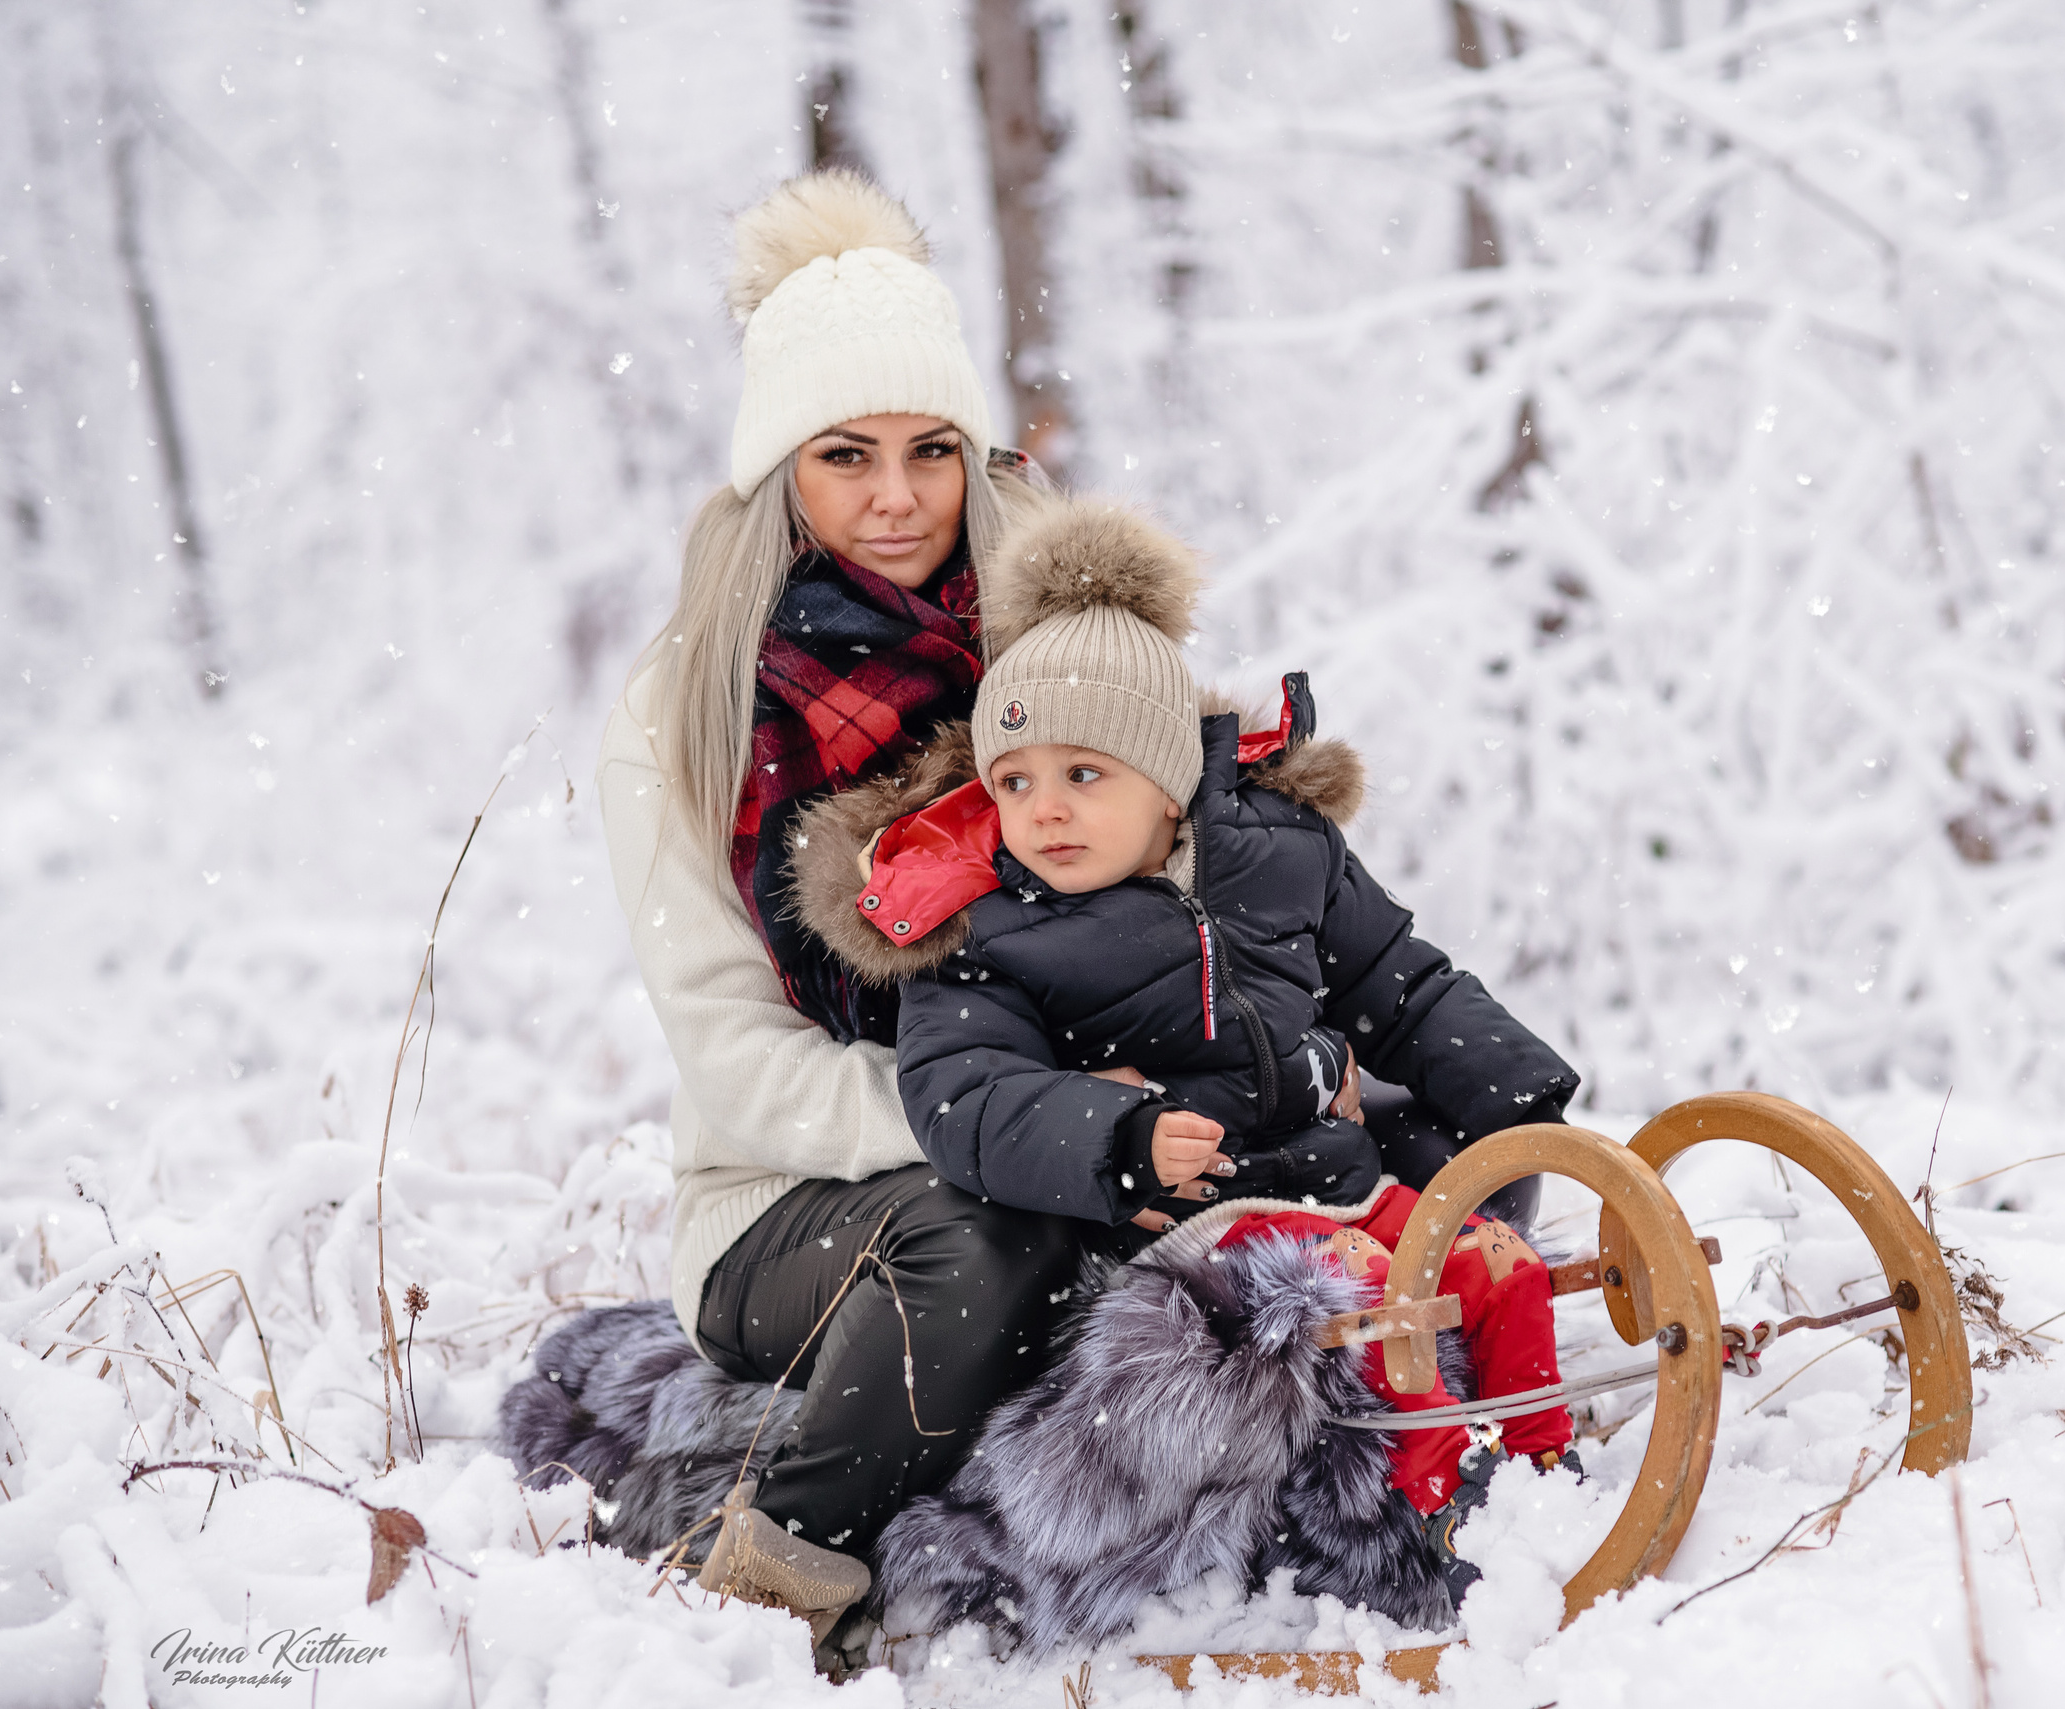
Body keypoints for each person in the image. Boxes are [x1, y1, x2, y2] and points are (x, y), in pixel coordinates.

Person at [781, 492, 1583, 1593]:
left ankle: (1549, 1470)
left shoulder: (1281, 853)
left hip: (1335, 1183)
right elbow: (967, 1095)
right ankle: (1430, 1518)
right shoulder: (986, 929)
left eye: (1083, 774)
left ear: (1170, 783)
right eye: (1014, 781)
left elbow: (1402, 978)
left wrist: (1523, 1098)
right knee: (1386, 1324)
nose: (1044, 810)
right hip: (1203, 1234)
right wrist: (1122, 1133)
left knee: (1498, 1270)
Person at [596, 170, 1084, 1636]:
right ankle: (764, 1572)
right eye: (847, 455)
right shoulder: (682, 716)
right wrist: (1006, 1120)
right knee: (989, 1233)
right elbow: (735, 1062)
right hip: (789, 1201)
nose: (895, 499)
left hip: (1063, 1119)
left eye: (934, 451)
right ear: (780, 473)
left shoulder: (1062, 664)